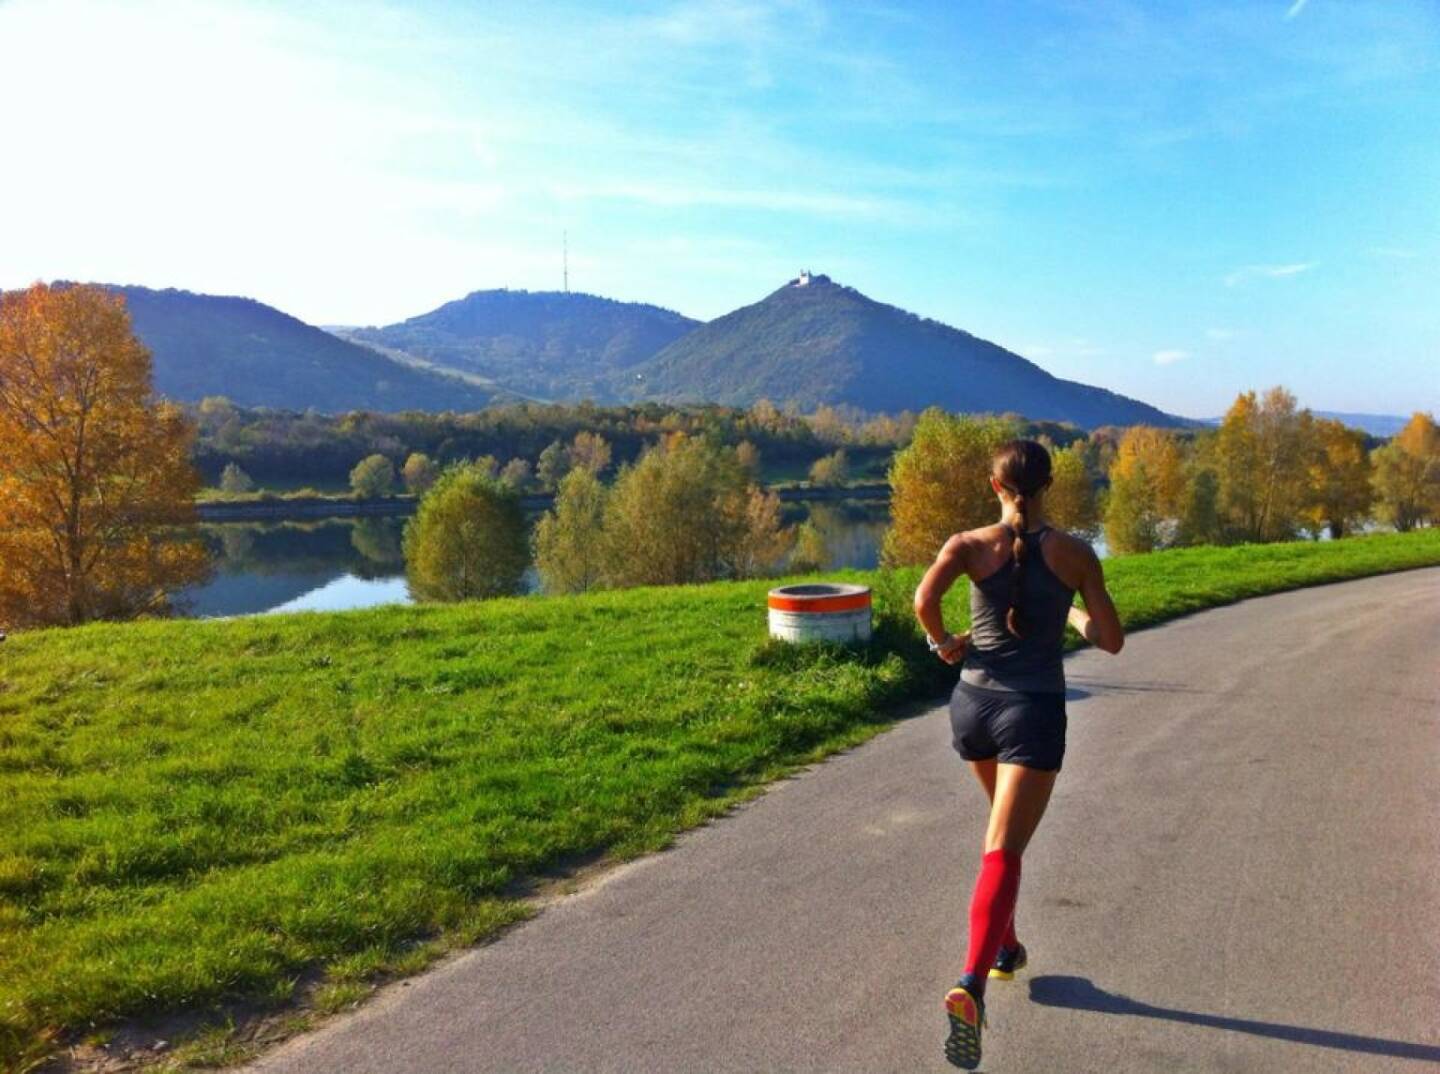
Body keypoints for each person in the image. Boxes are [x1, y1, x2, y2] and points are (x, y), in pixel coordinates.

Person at [912, 438, 1124, 1070]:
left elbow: (924, 602)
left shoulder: (967, 545)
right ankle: (971, 982)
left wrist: (943, 642)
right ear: (1048, 486)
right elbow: (1110, 639)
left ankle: (1005, 948)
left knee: (1001, 840)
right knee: (1005, 847)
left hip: (972, 706)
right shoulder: (1077, 554)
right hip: (1030, 713)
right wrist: (1070, 617)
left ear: (995, 485)